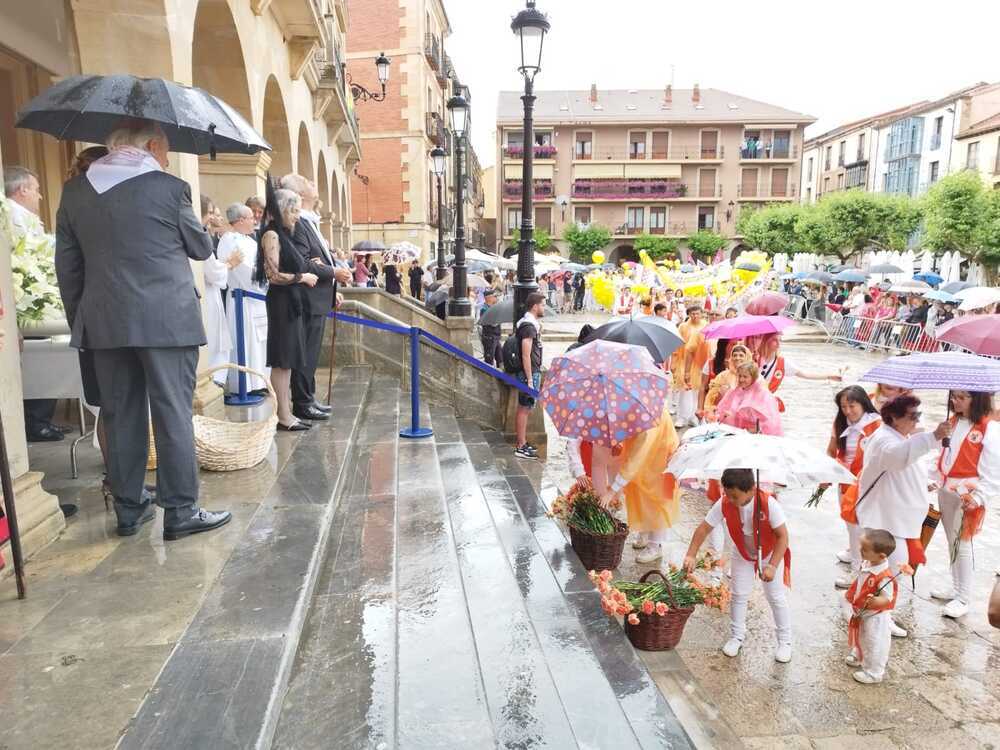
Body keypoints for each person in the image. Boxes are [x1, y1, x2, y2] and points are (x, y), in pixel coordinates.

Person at [55, 119, 231, 540]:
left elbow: (68, 267)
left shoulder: (75, 192)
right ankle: (181, 510)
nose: (167, 157)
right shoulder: (169, 188)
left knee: (120, 416)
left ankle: (130, 509)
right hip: (167, 319)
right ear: (151, 145)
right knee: (172, 411)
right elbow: (200, 248)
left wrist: (80, 319)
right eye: (166, 149)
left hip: (104, 321)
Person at [854, 395, 951, 635]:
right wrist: (933, 437)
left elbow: (907, 466)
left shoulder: (900, 437)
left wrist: (925, 483)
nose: (917, 420)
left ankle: (880, 616)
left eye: (919, 415)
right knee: (890, 573)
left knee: (891, 573)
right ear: (894, 418)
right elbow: (897, 458)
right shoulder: (883, 439)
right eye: (912, 416)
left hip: (898, 520)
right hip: (885, 521)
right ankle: (872, 617)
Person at [684, 468, 792, 663]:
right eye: (727, 494)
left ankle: (785, 641)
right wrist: (691, 554)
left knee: (775, 597)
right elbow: (704, 528)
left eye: (735, 496)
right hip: (742, 551)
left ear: (751, 489)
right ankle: (736, 636)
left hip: (769, 552)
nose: (730, 500)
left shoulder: (769, 504)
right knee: (739, 594)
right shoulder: (725, 502)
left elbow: (783, 537)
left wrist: (773, 566)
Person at [4, 165, 71, 444]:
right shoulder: (14, 216)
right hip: (27, 298)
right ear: (22, 190)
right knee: (42, 361)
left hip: (35, 295)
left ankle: (39, 419)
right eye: (36, 189)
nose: (40, 196)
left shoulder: (20, 215)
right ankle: (37, 421)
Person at [280, 174, 350, 422]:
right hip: (307, 299)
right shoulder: (299, 224)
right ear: (299, 193)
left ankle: (309, 397)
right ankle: (302, 402)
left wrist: (332, 288)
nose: (314, 184)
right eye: (310, 182)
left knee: (311, 353)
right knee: (305, 353)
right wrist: (334, 272)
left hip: (318, 296)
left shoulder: (309, 222)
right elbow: (303, 262)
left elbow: (315, 260)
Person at [929, 390, 999, 619]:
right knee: (952, 540)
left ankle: (963, 597)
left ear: (976, 399)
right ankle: (956, 587)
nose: (955, 401)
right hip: (946, 490)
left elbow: (993, 471)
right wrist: (934, 479)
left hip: (967, 495)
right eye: (954, 396)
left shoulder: (989, 429)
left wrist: (979, 497)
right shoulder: (952, 421)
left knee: (963, 544)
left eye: (961, 397)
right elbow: (942, 456)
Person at [257, 186, 319, 432]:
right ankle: (283, 415)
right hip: (281, 302)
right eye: (292, 211)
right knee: (282, 360)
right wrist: (302, 276)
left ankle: (286, 412)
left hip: (290, 302)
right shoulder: (271, 235)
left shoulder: (283, 235)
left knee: (288, 361)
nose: (296, 216)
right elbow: (273, 275)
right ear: (281, 210)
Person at [603, 404, 680, 564]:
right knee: (640, 493)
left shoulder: (647, 420)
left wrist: (613, 490)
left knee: (657, 501)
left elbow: (635, 459)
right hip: (647, 454)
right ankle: (645, 531)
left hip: (661, 455)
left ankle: (655, 545)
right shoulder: (634, 406)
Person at [827, 386, 882, 588]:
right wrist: (828, 473)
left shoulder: (876, 425)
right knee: (852, 528)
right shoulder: (840, 423)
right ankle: (859, 570)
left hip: (868, 485)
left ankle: (861, 574)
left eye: (852, 405)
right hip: (845, 482)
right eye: (843, 407)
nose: (848, 411)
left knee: (863, 531)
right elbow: (832, 451)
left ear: (863, 403)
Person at [218, 203, 269, 394]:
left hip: (258, 299)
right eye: (250, 218)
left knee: (259, 343)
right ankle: (246, 385)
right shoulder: (229, 239)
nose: (254, 220)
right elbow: (242, 270)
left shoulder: (251, 240)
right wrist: (262, 281)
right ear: (239, 221)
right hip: (243, 297)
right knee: (246, 342)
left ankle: (260, 382)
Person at [845, 529, 900, 685]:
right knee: (862, 635)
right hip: (863, 611)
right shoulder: (869, 562)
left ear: (881, 556)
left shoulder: (884, 576)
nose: (860, 551)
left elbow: (888, 598)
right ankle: (859, 655)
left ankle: (874, 672)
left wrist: (876, 601)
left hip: (876, 616)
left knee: (875, 642)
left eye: (865, 550)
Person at [748, 332, 842, 411]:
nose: (778, 344)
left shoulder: (782, 362)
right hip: (749, 400)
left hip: (766, 404)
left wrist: (829, 376)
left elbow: (805, 374)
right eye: (774, 340)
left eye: (779, 340)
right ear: (766, 341)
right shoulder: (752, 357)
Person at [199, 194, 232, 387]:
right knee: (212, 341)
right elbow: (212, 271)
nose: (213, 217)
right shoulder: (200, 235)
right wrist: (228, 264)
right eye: (210, 212)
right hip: (206, 296)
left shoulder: (204, 234)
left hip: (211, 294)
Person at [514, 292, 545, 460]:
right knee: (524, 409)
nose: (543, 308)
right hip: (529, 373)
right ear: (535, 306)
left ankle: (522, 443)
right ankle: (520, 445)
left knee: (525, 408)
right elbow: (526, 355)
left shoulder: (531, 324)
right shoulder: (528, 326)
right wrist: (530, 379)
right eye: (542, 305)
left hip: (531, 372)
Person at [715, 361, 783, 435]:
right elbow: (720, 412)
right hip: (734, 434)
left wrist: (755, 429)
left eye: (745, 377)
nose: (741, 379)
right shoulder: (733, 391)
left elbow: (770, 421)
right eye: (739, 376)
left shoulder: (763, 394)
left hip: (755, 437)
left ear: (753, 377)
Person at [673, 306, 709, 428]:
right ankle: (681, 417)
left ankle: (693, 416)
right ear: (689, 314)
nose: (695, 316)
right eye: (692, 314)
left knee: (697, 391)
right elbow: (677, 344)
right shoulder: (683, 327)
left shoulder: (705, 325)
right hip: (684, 361)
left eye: (697, 313)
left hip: (700, 362)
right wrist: (674, 359)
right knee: (685, 390)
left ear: (701, 314)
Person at [703, 343, 751, 419]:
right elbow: (710, 399)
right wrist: (721, 394)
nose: (737, 358)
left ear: (747, 357)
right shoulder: (723, 376)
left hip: (744, 417)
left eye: (741, 355)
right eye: (735, 355)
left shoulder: (753, 376)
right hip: (724, 416)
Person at [479, 290, 502, 367]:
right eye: (495, 296)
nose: (496, 298)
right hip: (490, 337)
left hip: (496, 337)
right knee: (489, 360)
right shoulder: (484, 309)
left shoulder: (492, 307)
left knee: (500, 358)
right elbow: (493, 323)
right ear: (489, 298)